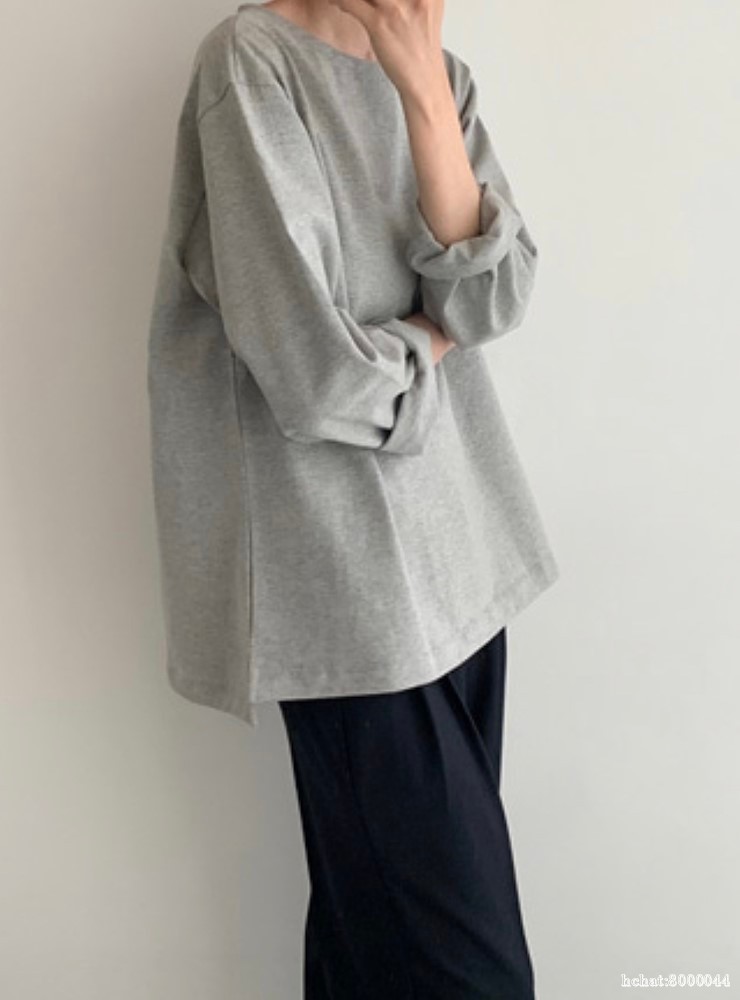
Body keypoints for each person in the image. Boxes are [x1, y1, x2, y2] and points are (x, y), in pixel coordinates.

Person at [146, 1, 560, 996]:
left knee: (369, 950)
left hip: (460, 564)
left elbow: (492, 298)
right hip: (346, 592)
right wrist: (429, 339)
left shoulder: (442, 75)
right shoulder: (249, 65)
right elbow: (315, 375)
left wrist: (420, 91)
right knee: (467, 970)